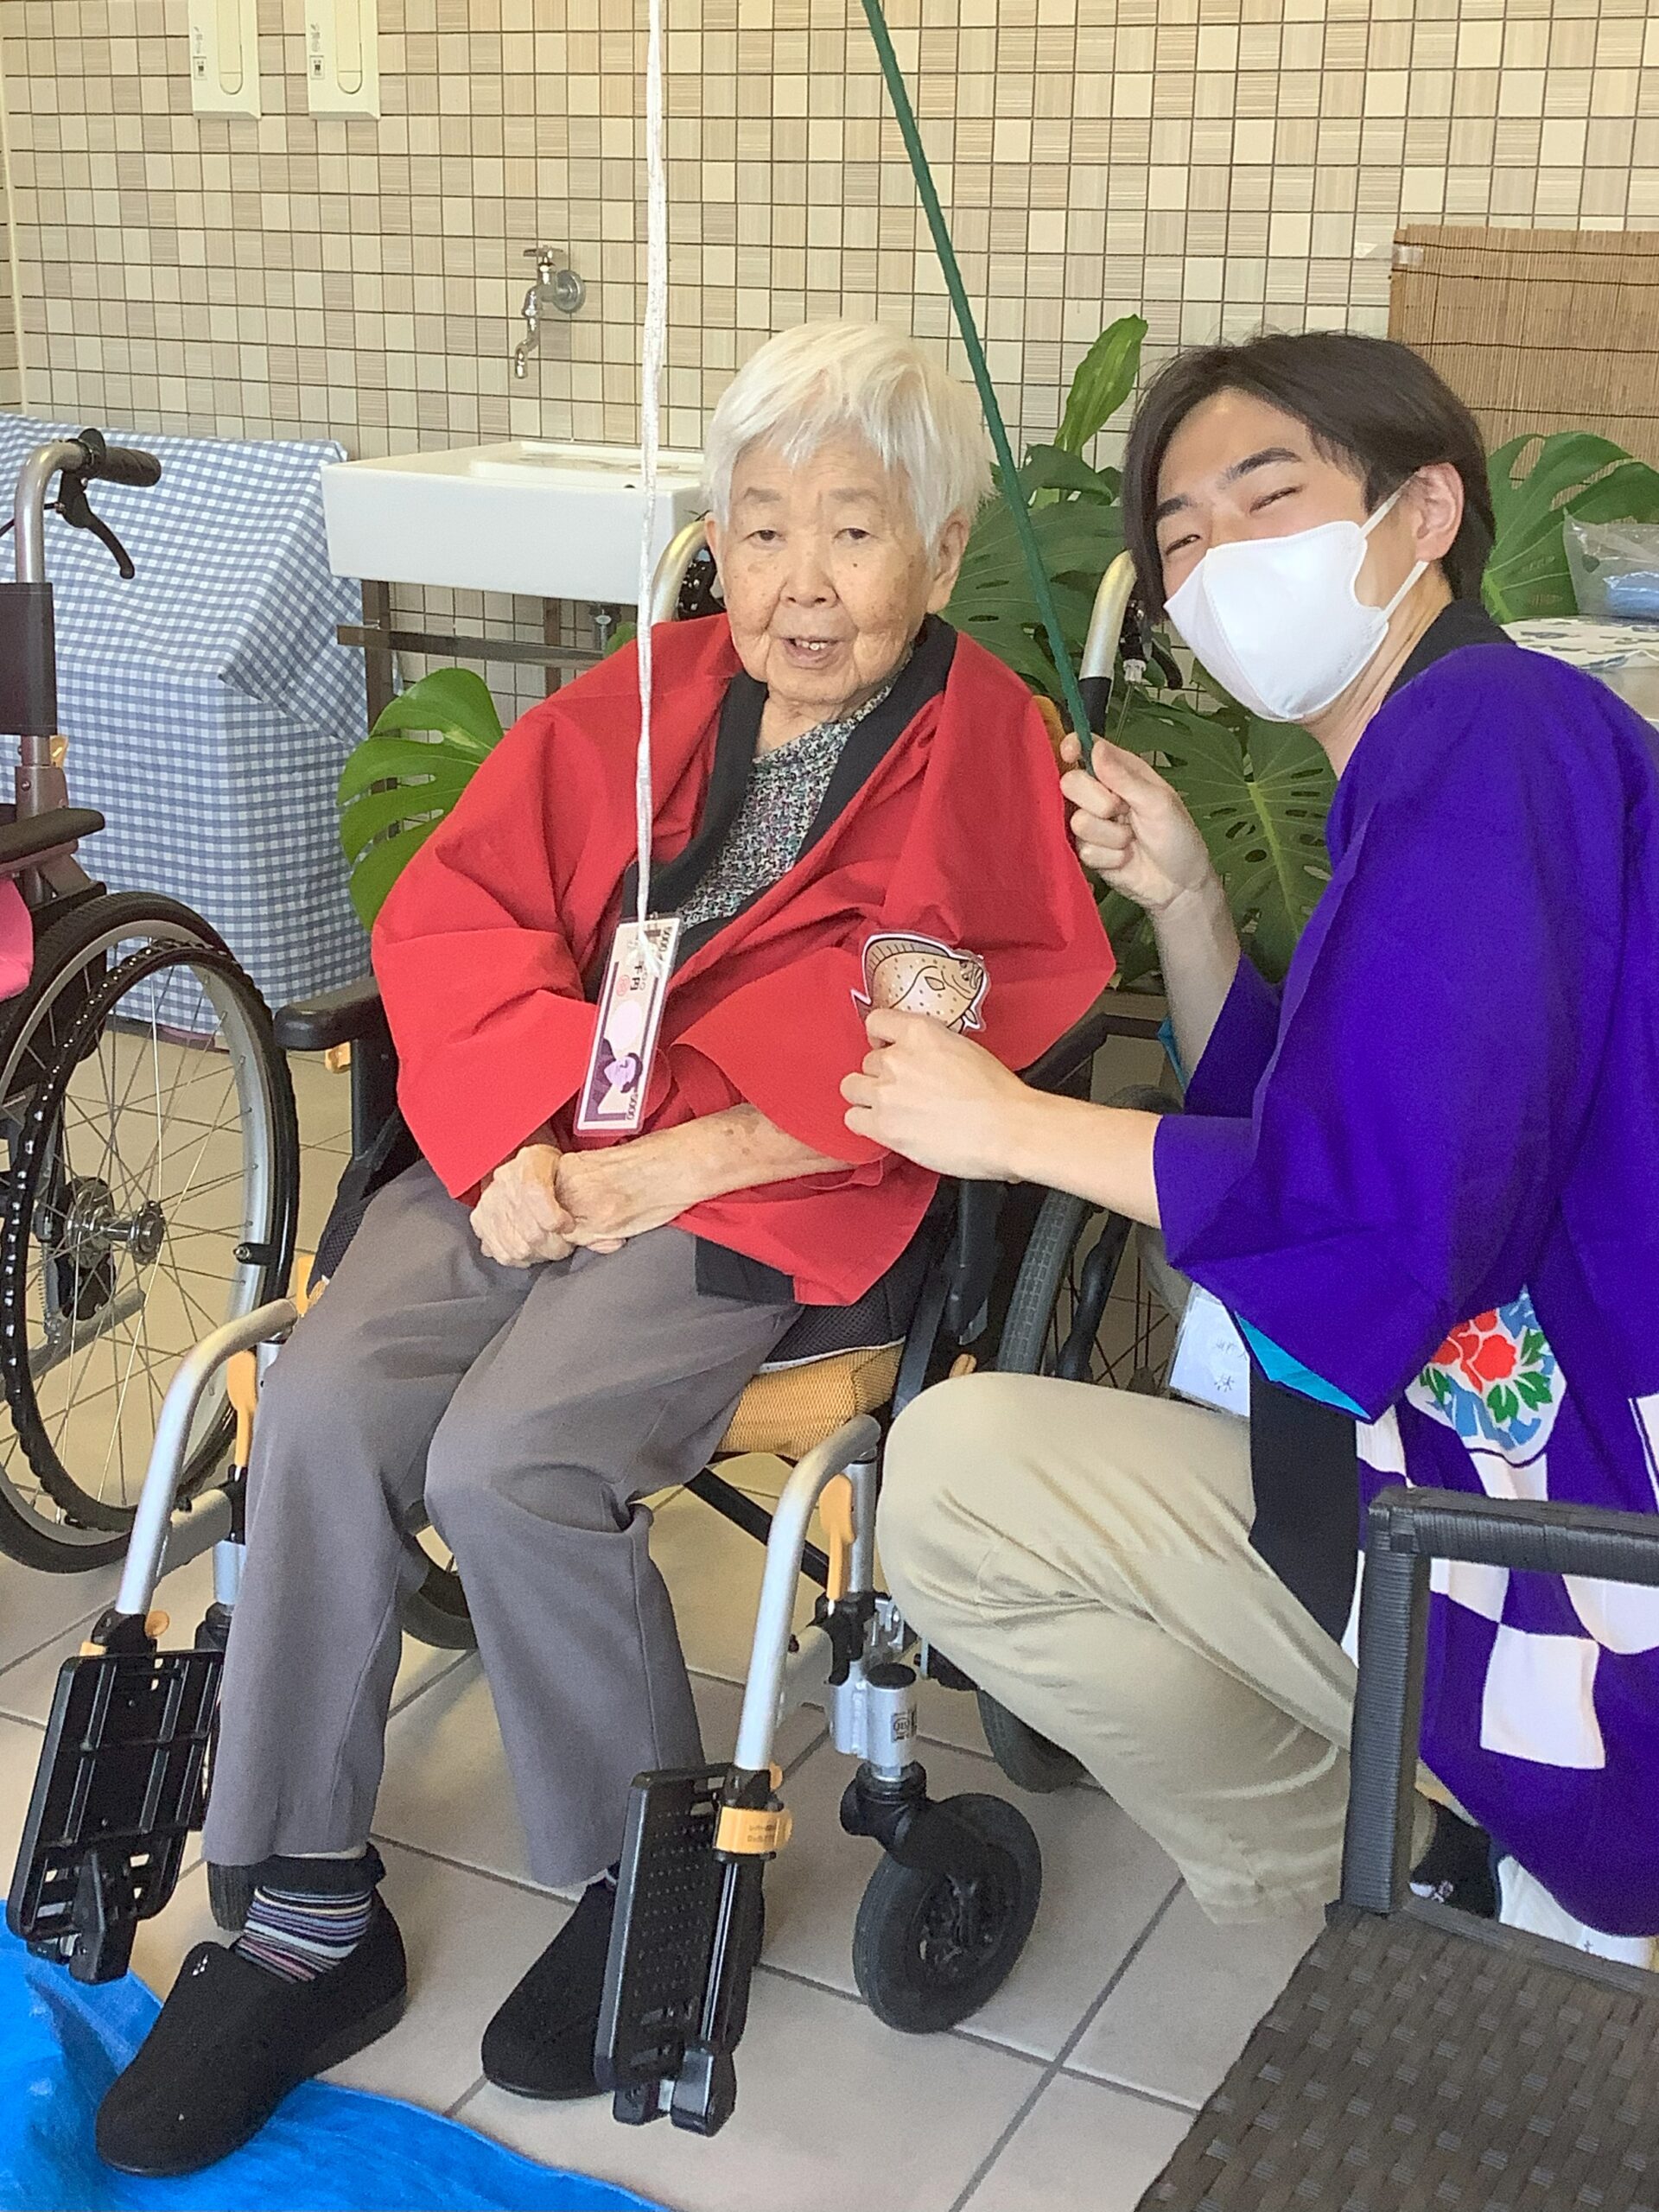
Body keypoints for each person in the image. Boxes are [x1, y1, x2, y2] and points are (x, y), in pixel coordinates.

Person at [98, 321, 1113, 2177]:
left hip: (760, 1183)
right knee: (318, 1403)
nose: (803, 582)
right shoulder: (647, 692)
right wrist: (516, 1142)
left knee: (515, 1455)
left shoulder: (977, 743)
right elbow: (461, 911)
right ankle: (305, 1908)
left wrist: (672, 1165)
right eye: (764, 528)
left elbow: (943, 1031)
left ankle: (640, 1869)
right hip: (540, 1139)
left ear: (944, 547)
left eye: (855, 530)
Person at [849, 330, 1659, 1948]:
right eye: (1182, 539)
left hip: (1570, 1548)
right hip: (1516, 1451)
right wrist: (1191, 903)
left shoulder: (1487, 733)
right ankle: (1435, 1857)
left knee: (948, 1488)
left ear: (1425, 512)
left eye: (1266, 499)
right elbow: (1348, 1104)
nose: (1219, 561)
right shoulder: (1454, 746)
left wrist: (1016, 1125)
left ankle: (1441, 1871)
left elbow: (1389, 1203)